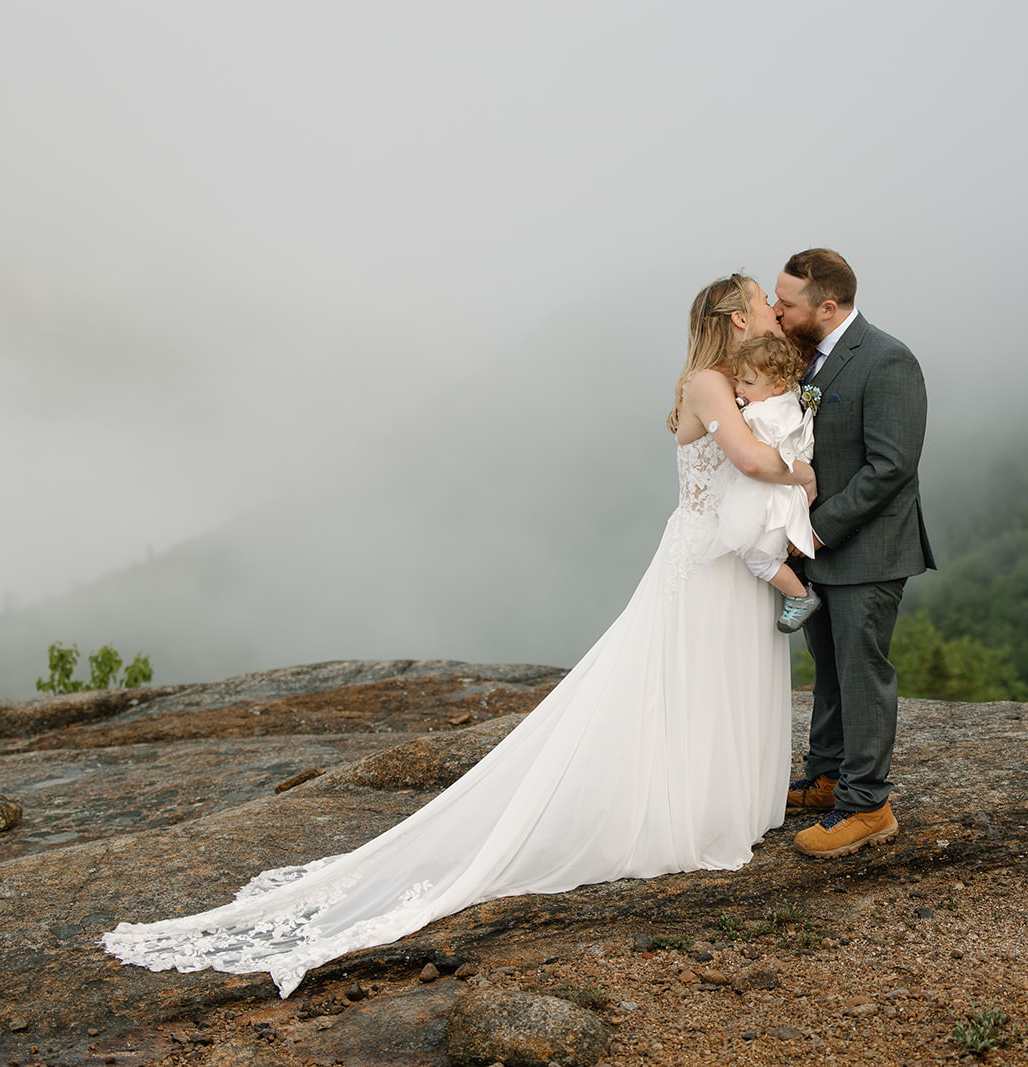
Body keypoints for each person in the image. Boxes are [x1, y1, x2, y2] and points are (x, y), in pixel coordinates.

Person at [101, 273, 815, 998]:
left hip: (723, 555)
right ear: (732, 318)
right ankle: (686, 808)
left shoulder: (741, 378)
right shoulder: (708, 381)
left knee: (717, 675)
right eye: (761, 299)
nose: (770, 308)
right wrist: (804, 472)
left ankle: (721, 801)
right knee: (685, 680)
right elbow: (753, 463)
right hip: (702, 558)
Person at [773, 248, 934, 860]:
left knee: (863, 675)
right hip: (817, 552)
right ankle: (827, 777)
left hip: (867, 551)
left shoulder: (888, 360)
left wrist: (816, 531)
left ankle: (868, 805)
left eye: (787, 304)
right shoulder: (806, 357)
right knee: (831, 670)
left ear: (828, 306)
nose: (778, 312)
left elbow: (891, 467)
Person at [708, 332, 824, 633]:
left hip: (768, 497)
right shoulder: (788, 403)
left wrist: (733, 408)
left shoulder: (759, 414)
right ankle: (797, 594)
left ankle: (800, 596)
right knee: (764, 551)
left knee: (758, 558)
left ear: (777, 385)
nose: (739, 388)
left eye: (748, 382)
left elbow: (745, 444)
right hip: (783, 494)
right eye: (738, 380)